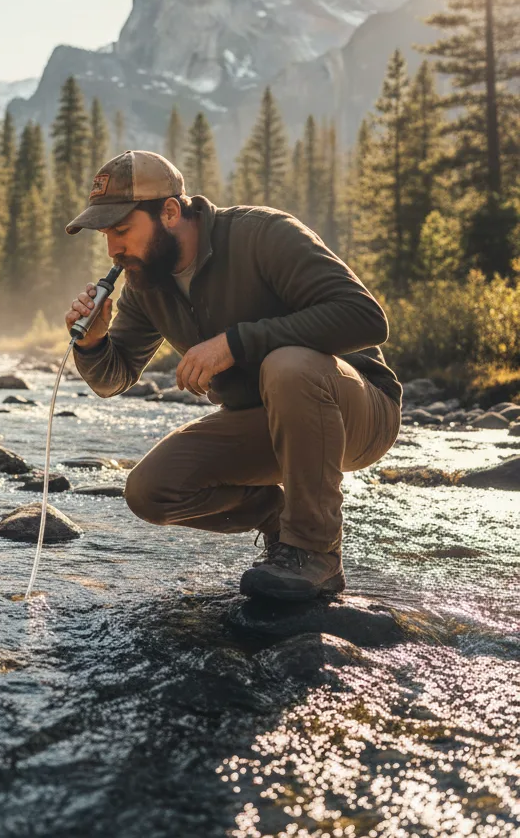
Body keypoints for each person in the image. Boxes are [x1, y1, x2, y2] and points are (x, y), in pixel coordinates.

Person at [64, 149, 401, 601]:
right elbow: (114, 378)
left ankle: (315, 552)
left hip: (356, 412)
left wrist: (234, 343)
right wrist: (93, 343)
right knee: (149, 491)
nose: (114, 249)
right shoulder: (146, 282)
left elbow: (365, 318)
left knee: (289, 365)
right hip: (268, 423)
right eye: (106, 235)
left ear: (169, 211)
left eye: (122, 230)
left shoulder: (262, 234)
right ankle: (278, 518)